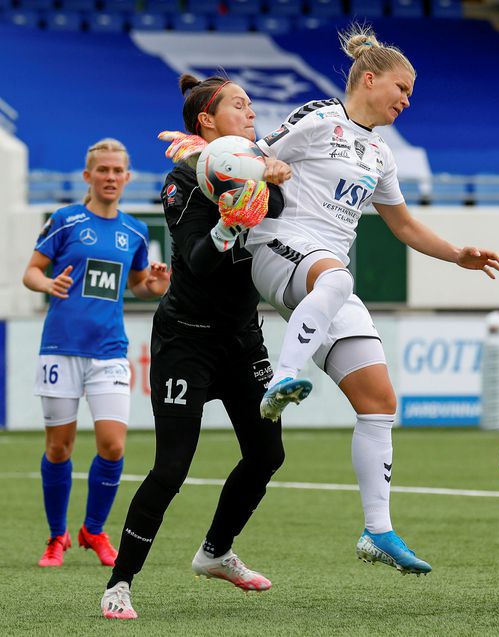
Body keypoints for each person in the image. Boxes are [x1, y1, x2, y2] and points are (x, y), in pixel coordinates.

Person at [245, 24, 499, 576]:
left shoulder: (380, 155)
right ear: (369, 78)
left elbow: (405, 226)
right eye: (402, 88)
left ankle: (377, 530)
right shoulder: (320, 118)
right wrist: (264, 166)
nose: (407, 100)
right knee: (337, 278)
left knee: (381, 402)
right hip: (277, 244)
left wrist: (458, 254)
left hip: (324, 274)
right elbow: (249, 153)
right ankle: (282, 375)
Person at [100, 73, 291, 620]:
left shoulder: (259, 166)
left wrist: (268, 182)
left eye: (252, 102)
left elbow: (280, 205)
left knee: (267, 453)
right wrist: (231, 222)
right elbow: (202, 261)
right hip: (187, 339)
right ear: (206, 120)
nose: (252, 111)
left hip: (242, 336)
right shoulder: (181, 179)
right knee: (171, 468)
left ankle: (215, 552)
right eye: (239, 104)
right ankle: (120, 584)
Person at [22, 139, 170, 569]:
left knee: (112, 445)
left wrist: (154, 286)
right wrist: (47, 284)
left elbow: (139, 284)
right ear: (88, 176)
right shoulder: (65, 221)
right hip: (60, 349)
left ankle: (93, 530)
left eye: (117, 171)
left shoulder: (134, 231)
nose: (109, 177)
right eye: (101, 170)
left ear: (127, 177)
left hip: (109, 350)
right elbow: (31, 270)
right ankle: (56, 537)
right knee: (59, 449)